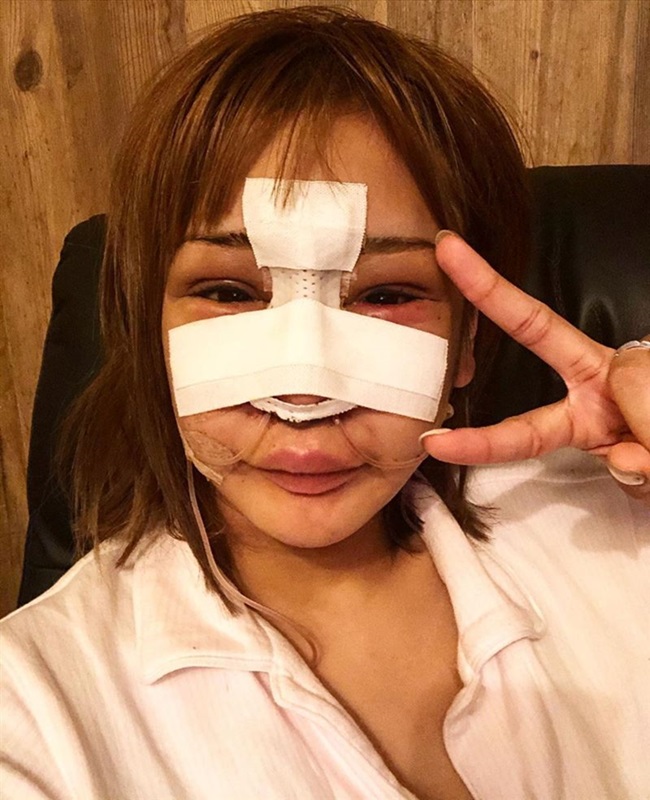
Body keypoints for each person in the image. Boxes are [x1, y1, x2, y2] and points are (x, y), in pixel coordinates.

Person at [1, 7, 648, 800]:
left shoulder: (610, 530)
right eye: (229, 292)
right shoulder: (33, 708)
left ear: (466, 345)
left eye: (386, 296)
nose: (304, 391)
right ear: (150, 334)